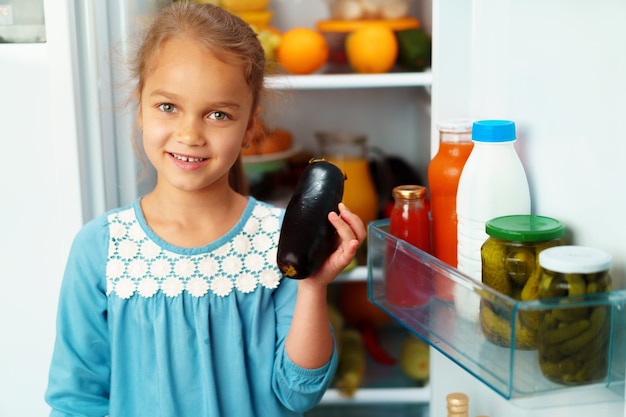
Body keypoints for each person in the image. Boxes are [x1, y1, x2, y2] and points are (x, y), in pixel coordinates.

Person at [44, 3, 366, 416]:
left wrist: (312, 286)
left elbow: (298, 392)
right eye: (167, 107)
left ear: (249, 127)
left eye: (218, 114)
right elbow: (77, 401)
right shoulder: (101, 248)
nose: (190, 134)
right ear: (139, 108)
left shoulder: (277, 240)